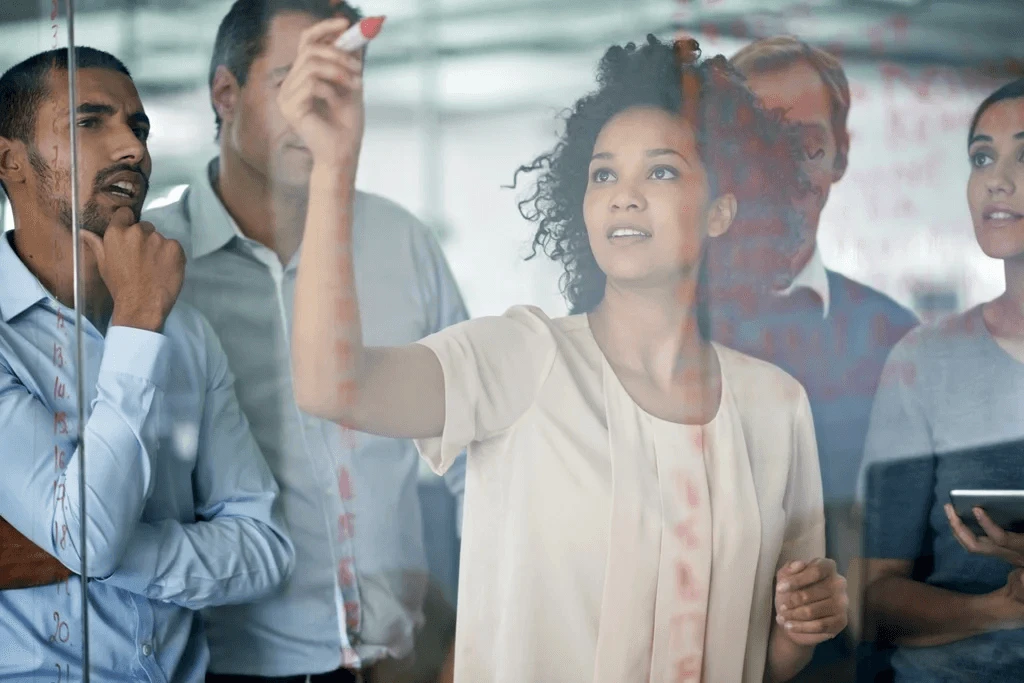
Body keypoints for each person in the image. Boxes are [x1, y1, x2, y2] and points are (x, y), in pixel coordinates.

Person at [287, 28, 849, 682]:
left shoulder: (777, 405)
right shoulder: (523, 357)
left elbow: (770, 656)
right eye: (603, 172)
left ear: (722, 211)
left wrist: (802, 628)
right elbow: (333, 385)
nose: (624, 193)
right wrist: (331, 168)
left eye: (661, 170)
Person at [144, 1, 468, 681]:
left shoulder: (401, 243)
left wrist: (477, 637)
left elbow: (475, 463)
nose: (318, 107)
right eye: (293, 81)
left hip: (404, 662)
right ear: (224, 94)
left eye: (339, 84)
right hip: (228, 670)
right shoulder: (151, 263)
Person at [0, 47, 294, 681]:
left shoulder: (180, 326)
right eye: (90, 122)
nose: (132, 149)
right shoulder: (147, 320)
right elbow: (88, 540)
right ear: (9, 160)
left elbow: (266, 549)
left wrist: (71, 550)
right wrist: (138, 320)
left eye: (138, 127)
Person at [724, 37, 919, 580]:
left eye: (806, 145)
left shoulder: (897, 341)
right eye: (759, 145)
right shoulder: (664, 329)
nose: (780, 169)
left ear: (842, 154)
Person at [858, 77, 1024, 683]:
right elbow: (873, 597)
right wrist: (993, 610)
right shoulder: (923, 360)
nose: (996, 178)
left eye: (1023, 155)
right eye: (982, 156)